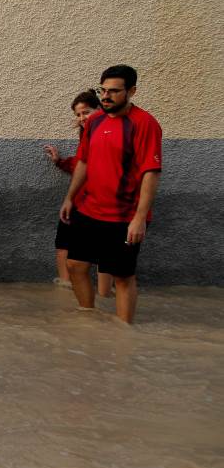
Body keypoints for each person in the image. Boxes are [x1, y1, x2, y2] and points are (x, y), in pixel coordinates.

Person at [59, 65, 162, 324]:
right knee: (75, 265)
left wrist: (140, 218)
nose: (106, 96)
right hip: (89, 210)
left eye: (114, 91)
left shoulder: (145, 124)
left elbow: (151, 173)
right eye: (103, 90)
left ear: (131, 91)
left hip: (124, 217)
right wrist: (70, 197)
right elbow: (83, 162)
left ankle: (123, 333)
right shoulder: (94, 121)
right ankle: (90, 322)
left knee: (122, 277)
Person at [43, 89, 114, 296]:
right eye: (78, 114)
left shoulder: (108, 133)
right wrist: (60, 162)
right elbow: (81, 164)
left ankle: (105, 293)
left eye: (86, 112)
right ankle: (66, 291)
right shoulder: (86, 134)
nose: (82, 118)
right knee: (63, 243)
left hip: (98, 202)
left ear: (99, 109)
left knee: (103, 248)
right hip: (78, 199)